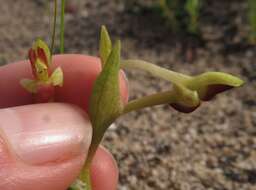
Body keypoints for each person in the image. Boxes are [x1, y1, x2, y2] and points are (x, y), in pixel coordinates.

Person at [0, 54, 129, 190]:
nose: (40, 70)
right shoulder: (36, 82)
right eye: (37, 69)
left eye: (42, 69)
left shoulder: (55, 77)